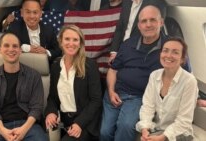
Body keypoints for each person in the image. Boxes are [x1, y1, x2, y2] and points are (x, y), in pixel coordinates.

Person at [100, 5, 169, 141]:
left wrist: (196, 97)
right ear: (138, 25)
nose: (148, 25)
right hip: (115, 93)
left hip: (139, 97)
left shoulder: (169, 47)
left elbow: (184, 75)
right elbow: (113, 69)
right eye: (144, 21)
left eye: (153, 20)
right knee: (104, 132)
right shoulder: (127, 44)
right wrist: (112, 91)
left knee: (125, 127)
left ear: (161, 22)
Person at [0, 32, 48, 141]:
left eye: (15, 46)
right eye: (6, 45)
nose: (11, 49)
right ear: (0, 49)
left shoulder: (34, 76)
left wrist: (23, 130)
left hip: (28, 126)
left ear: (20, 50)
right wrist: (3, 131)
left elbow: (37, 108)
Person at [45, 24, 102, 141]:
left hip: (86, 123)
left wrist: (79, 123)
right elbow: (52, 98)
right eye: (67, 39)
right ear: (60, 42)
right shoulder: (56, 66)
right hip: (65, 122)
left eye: (75, 40)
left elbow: (96, 101)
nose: (71, 43)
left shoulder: (89, 65)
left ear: (80, 43)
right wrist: (51, 112)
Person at [136, 37, 198, 141]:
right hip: (158, 129)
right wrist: (145, 128)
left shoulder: (189, 81)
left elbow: (184, 120)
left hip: (179, 133)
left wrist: (162, 137)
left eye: (175, 52)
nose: (168, 55)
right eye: (165, 51)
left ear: (183, 59)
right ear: (160, 54)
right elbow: (148, 106)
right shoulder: (154, 75)